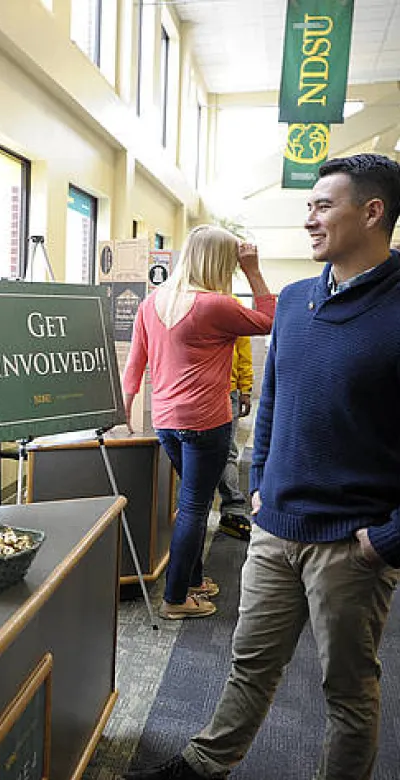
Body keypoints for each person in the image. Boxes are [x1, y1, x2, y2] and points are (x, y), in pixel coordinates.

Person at [125, 154, 400, 779]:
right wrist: (256, 488)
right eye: (308, 206)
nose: (309, 219)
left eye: (323, 206)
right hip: (276, 525)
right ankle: (207, 762)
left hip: (352, 544)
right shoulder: (300, 299)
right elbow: (272, 398)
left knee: (347, 691)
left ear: (373, 211)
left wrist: (386, 541)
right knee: (249, 661)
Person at [122, 225, 275, 620]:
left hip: (167, 421)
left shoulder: (152, 302)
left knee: (191, 501)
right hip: (206, 421)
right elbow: (268, 320)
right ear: (220, 263)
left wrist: (123, 407)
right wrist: (254, 271)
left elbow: (134, 365)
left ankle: (191, 580)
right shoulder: (214, 305)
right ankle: (175, 598)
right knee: (195, 506)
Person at [216, 336, 253, 540]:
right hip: (222, 390)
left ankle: (232, 510)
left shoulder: (233, 304)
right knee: (226, 453)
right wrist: (245, 388)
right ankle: (232, 511)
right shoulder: (234, 305)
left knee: (224, 452)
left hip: (224, 390)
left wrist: (245, 388)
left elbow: (243, 352)